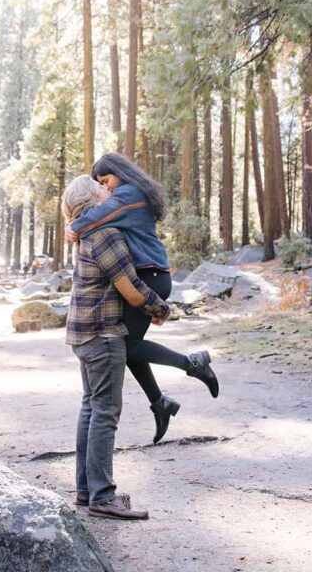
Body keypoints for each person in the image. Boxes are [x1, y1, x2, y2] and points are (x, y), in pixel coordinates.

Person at [69, 153, 219, 444]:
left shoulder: (128, 194)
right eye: (102, 185)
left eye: (106, 181)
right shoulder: (129, 191)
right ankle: (160, 403)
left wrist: (73, 228)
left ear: (116, 173)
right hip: (151, 274)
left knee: (123, 346)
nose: (106, 188)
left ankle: (192, 365)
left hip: (149, 277)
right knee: (126, 345)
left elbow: (94, 219)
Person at [64, 175, 171, 520]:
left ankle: (87, 490)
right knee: (105, 412)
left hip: (83, 334)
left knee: (91, 409)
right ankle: (103, 496)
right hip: (103, 334)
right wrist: (161, 308)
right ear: (94, 201)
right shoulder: (105, 234)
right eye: (102, 190)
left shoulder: (85, 235)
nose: (109, 192)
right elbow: (131, 288)